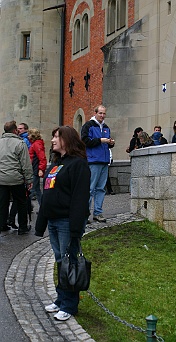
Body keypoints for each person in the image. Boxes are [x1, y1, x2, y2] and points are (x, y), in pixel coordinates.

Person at [35, 126, 90, 321]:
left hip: (68, 222)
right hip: (54, 221)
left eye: (56, 137)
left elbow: (80, 198)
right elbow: (48, 194)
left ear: (67, 139)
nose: (52, 140)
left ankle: (69, 305)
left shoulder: (78, 164)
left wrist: (76, 227)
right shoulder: (56, 164)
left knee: (70, 262)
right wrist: (41, 223)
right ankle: (61, 298)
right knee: (61, 261)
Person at [81, 105, 115, 223]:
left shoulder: (106, 127)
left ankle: (98, 213)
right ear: (95, 113)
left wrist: (110, 143)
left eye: (104, 113)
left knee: (101, 189)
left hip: (104, 161)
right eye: (100, 113)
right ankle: (85, 214)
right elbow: (85, 141)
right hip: (93, 161)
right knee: (90, 189)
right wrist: (101, 140)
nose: (102, 116)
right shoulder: (88, 125)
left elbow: (106, 144)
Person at [0, 121, 33, 235]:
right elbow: (26, 164)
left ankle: (2, 225)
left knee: (2, 203)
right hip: (16, 178)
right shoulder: (20, 143)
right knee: (21, 202)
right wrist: (29, 180)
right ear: (15, 131)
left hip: (1, 178)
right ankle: (22, 227)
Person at [8, 122, 32, 229]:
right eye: (18, 128)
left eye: (21, 128)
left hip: (18, 173)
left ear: (26, 129)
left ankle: (11, 220)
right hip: (17, 175)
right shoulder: (19, 141)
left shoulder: (24, 141)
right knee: (20, 200)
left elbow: (25, 160)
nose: (19, 130)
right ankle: (19, 224)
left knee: (19, 200)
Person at [28, 128, 47, 206]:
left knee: (32, 190)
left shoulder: (36, 144)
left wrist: (41, 169)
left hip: (35, 169)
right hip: (35, 168)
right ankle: (42, 207)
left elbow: (42, 158)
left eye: (29, 134)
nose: (28, 136)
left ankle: (27, 207)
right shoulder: (37, 144)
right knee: (36, 189)